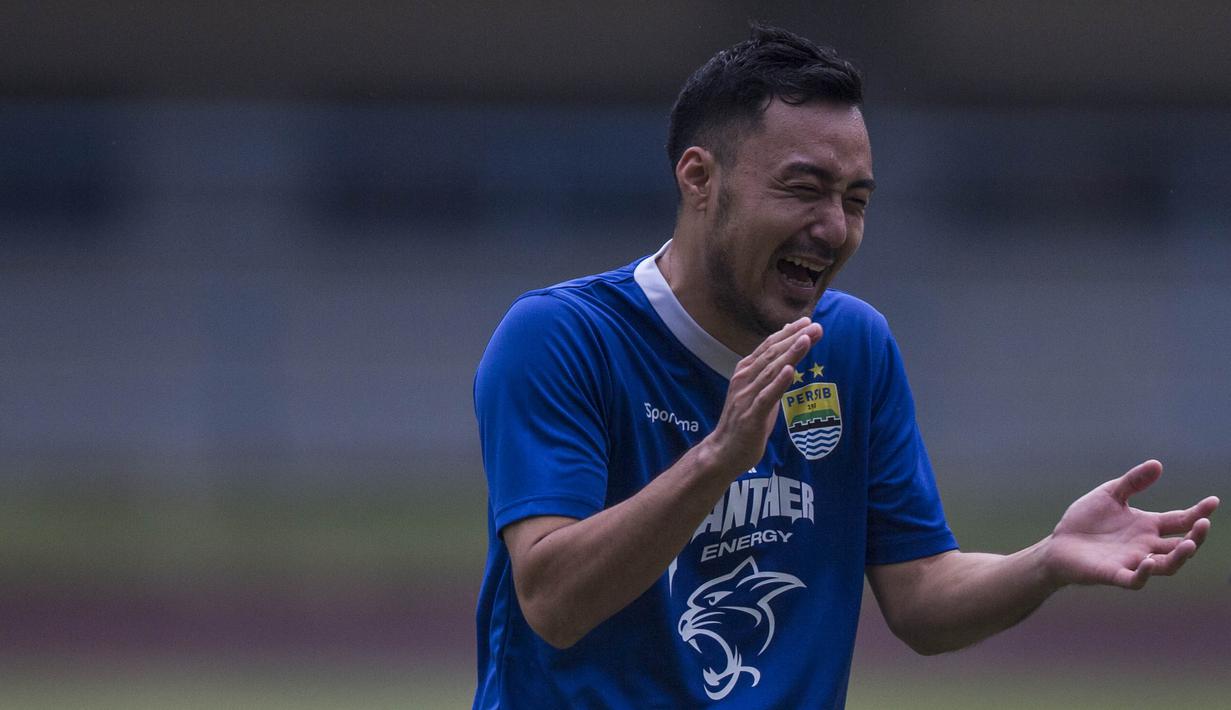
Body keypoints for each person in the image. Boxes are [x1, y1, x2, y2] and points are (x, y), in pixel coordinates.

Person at [471, 24, 1219, 708]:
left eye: (854, 199)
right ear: (699, 179)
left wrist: (1047, 560)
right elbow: (554, 603)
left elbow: (921, 596)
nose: (832, 227)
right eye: (802, 189)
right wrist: (717, 460)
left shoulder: (851, 345)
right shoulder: (562, 338)